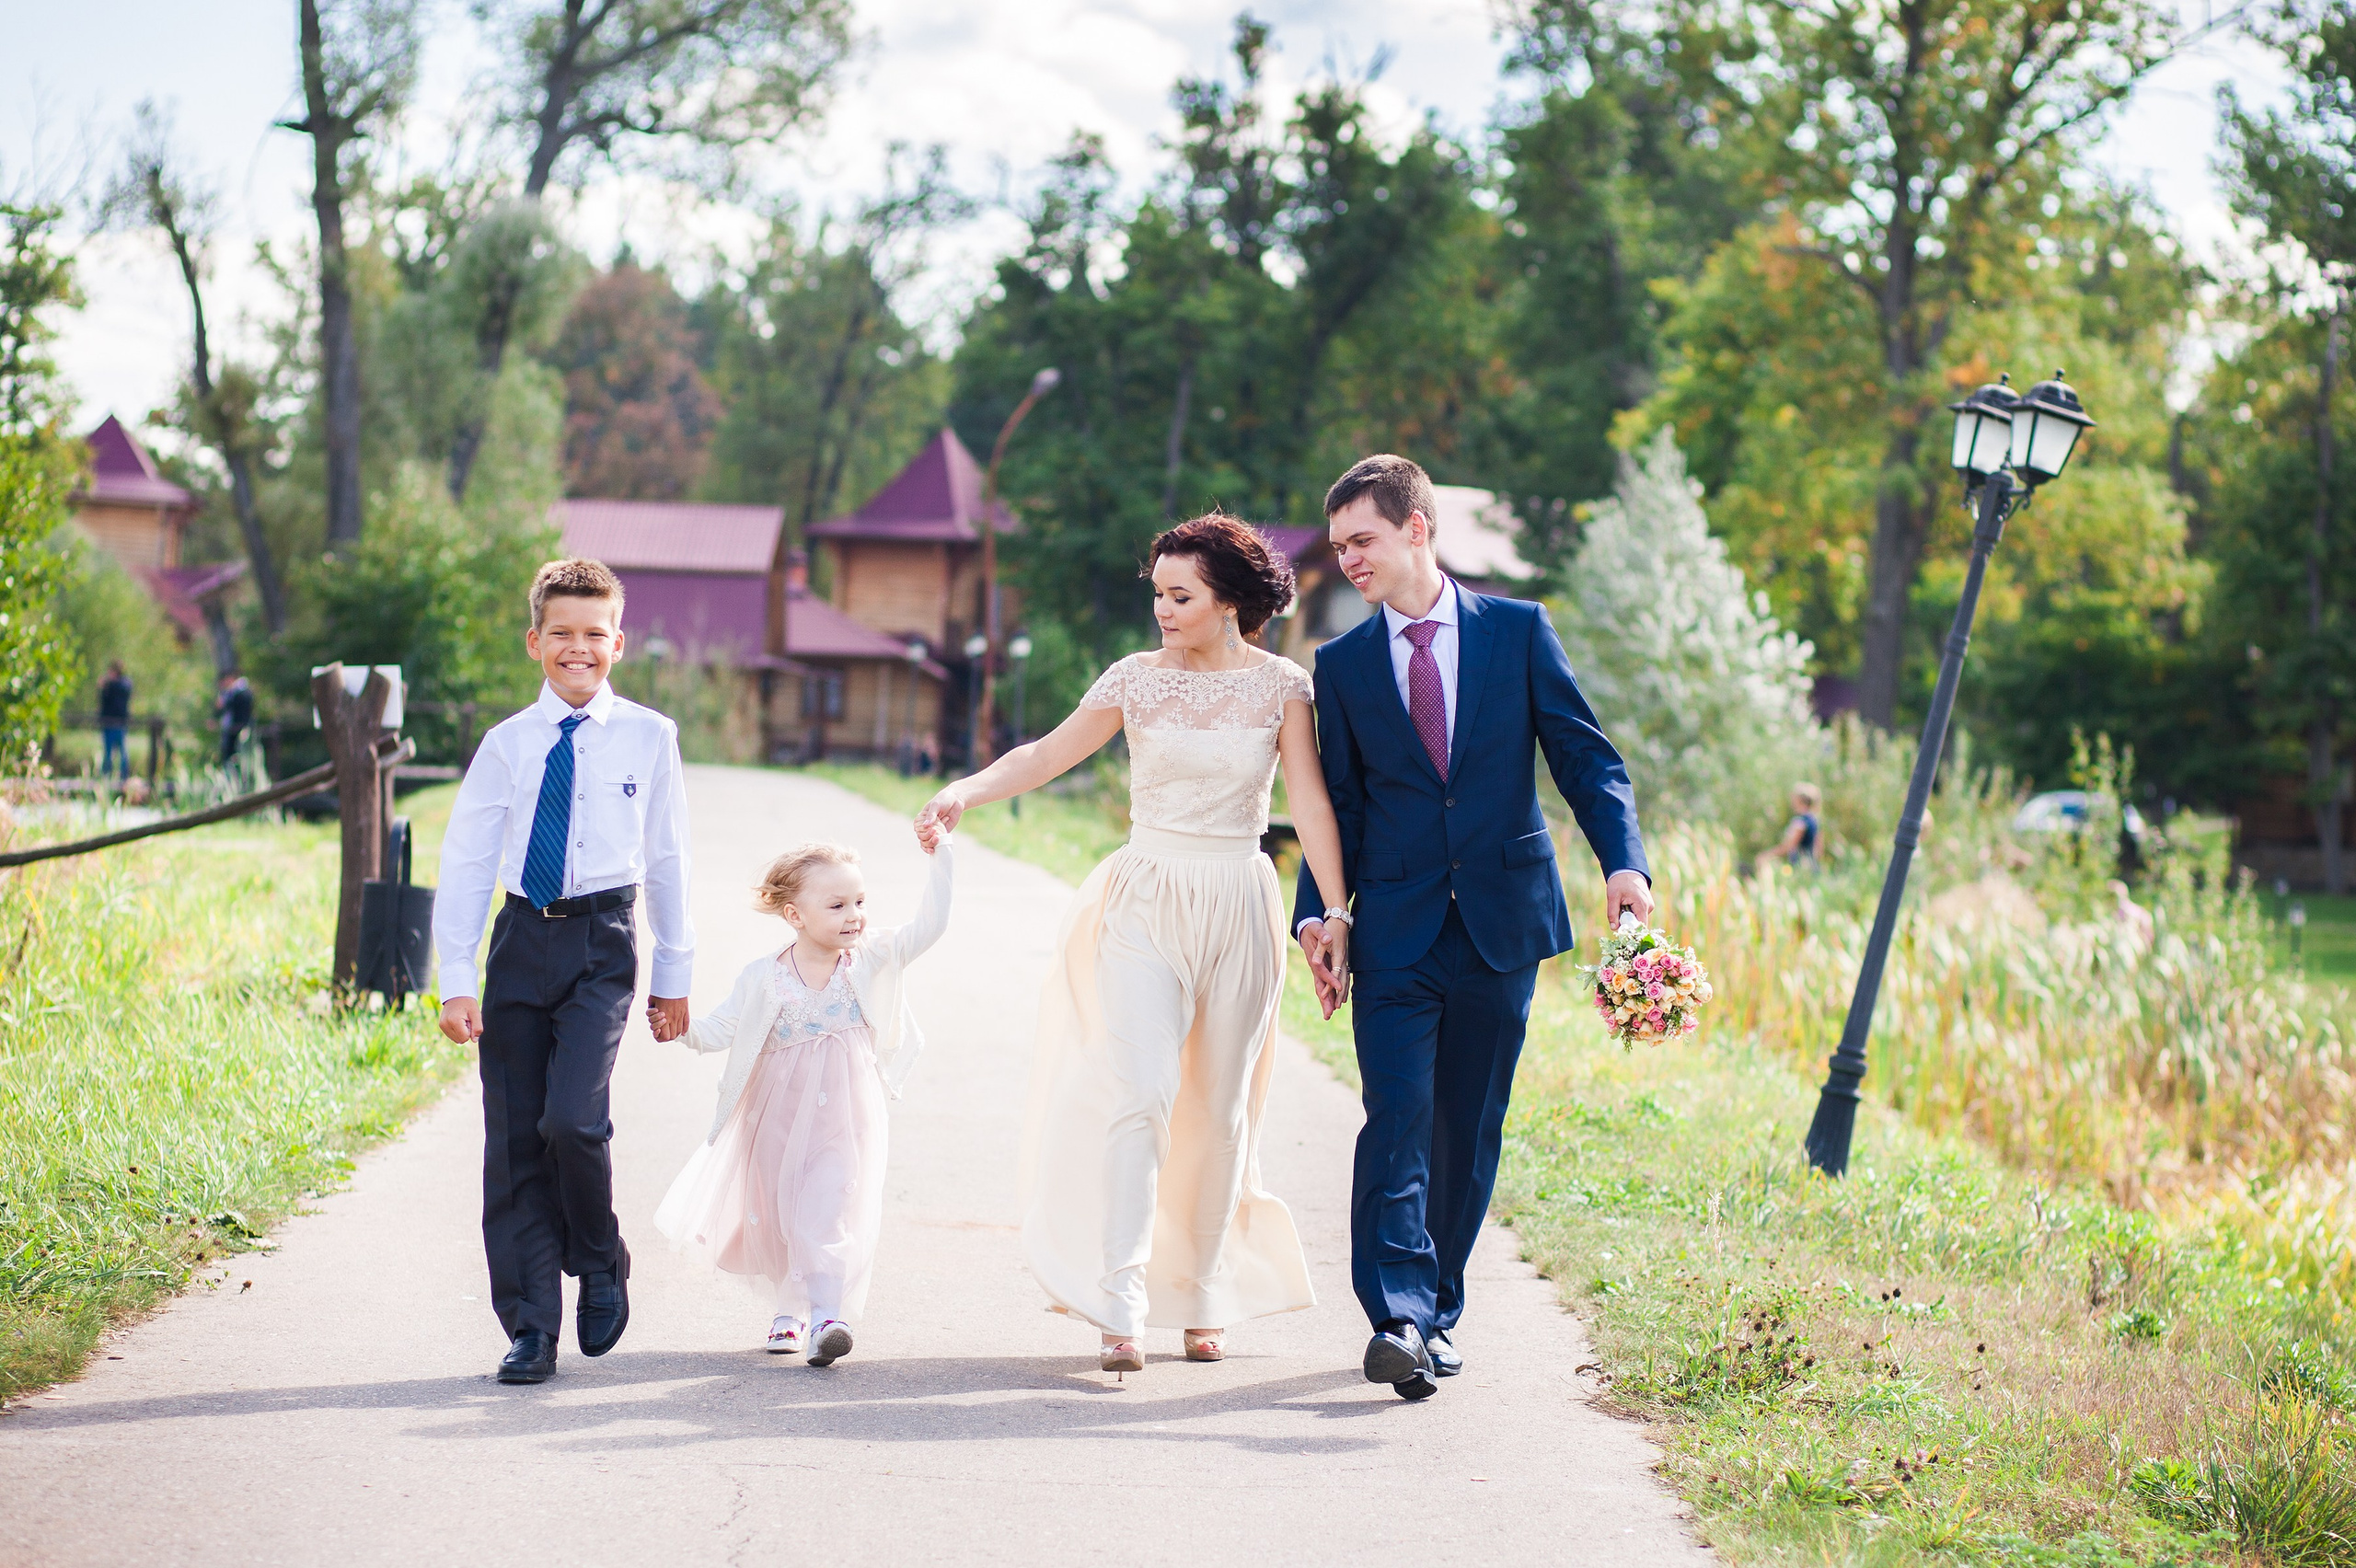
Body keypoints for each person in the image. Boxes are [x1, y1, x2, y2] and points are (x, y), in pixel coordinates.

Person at [914, 514, 1350, 1376]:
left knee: (1221, 1111)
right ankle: (1120, 1296)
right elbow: (1045, 755)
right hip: (1146, 896)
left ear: (1229, 600)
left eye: (1180, 596)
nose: (1162, 610)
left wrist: (1336, 912)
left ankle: (1205, 1291)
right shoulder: (1134, 680)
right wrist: (965, 790)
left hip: (1238, 901)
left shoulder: (1282, 687)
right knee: (1142, 1093)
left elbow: (1310, 804)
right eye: (1157, 594)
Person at [1293, 454, 1650, 1401]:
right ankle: (1398, 1316)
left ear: (1417, 528)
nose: (1348, 560)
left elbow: (1585, 758)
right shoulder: (1342, 665)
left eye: (1362, 540)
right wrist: (1318, 915)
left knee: (1466, 1124)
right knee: (1396, 1117)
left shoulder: (1518, 632)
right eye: (1338, 546)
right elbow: (1336, 807)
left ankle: (1436, 1312)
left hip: (1502, 920)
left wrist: (1623, 861)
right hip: (1394, 927)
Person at [433, 557, 696, 1386]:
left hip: (601, 945)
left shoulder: (650, 736)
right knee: (515, 1140)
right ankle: (531, 1328)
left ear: (617, 643)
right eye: (561, 633)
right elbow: (468, 859)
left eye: (593, 633)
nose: (577, 647)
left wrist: (674, 969)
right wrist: (456, 976)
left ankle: (600, 1254)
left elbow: (668, 856)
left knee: (573, 1123)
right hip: (520, 942)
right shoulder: (507, 744)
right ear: (534, 641)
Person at [655, 836, 953, 1364]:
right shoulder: (764, 976)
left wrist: (942, 857)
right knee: (784, 1216)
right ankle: (788, 1312)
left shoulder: (869, 958)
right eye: (837, 905)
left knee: (827, 1211)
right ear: (795, 915)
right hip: (775, 1116)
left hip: (846, 1117)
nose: (854, 915)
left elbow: (930, 926)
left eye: (859, 901)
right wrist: (681, 1029)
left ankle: (827, 1317)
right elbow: (721, 1028)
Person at [1761, 782, 1821, 872]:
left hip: (1800, 867)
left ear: (1800, 801)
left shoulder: (1800, 822)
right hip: (1812, 867)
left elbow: (1789, 846)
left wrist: (1767, 855)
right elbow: (1818, 850)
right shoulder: (1815, 820)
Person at [97, 662, 133, 784]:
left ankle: (124, 777)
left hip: (120, 724)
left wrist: (108, 683)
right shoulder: (109, 686)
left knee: (123, 753)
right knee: (108, 753)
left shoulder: (123, 684)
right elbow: (104, 702)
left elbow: (124, 689)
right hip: (108, 724)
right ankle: (106, 776)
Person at [214, 671, 254, 776]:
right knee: (228, 755)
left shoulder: (241, 692)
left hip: (239, 728)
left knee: (238, 755)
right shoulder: (229, 693)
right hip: (231, 728)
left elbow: (242, 709)